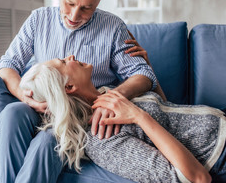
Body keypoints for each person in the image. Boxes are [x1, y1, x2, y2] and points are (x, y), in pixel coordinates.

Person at [0, 0, 158, 182]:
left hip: (79, 115)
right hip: (40, 105)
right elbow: (7, 65)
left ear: (99, 0)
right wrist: (26, 97)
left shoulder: (113, 27)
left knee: (48, 141)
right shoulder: (38, 19)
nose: (74, 16)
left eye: (86, 8)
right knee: (12, 113)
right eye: (69, 3)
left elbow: (143, 75)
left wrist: (111, 99)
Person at [19, 55, 226, 183]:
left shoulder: (109, 94)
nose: (71, 56)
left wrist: (148, 66)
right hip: (220, 152)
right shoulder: (102, 137)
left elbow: (167, 115)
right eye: (64, 62)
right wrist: (138, 116)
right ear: (69, 87)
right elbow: (197, 178)